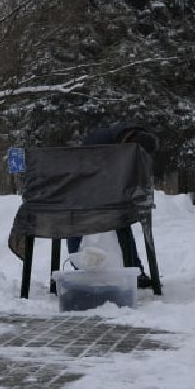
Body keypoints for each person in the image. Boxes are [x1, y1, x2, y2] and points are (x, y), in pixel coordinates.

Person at [69, 122, 158, 288]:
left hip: (74, 203)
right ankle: (81, 271)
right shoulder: (103, 144)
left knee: (77, 224)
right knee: (118, 222)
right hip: (85, 198)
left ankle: (134, 272)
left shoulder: (123, 140)